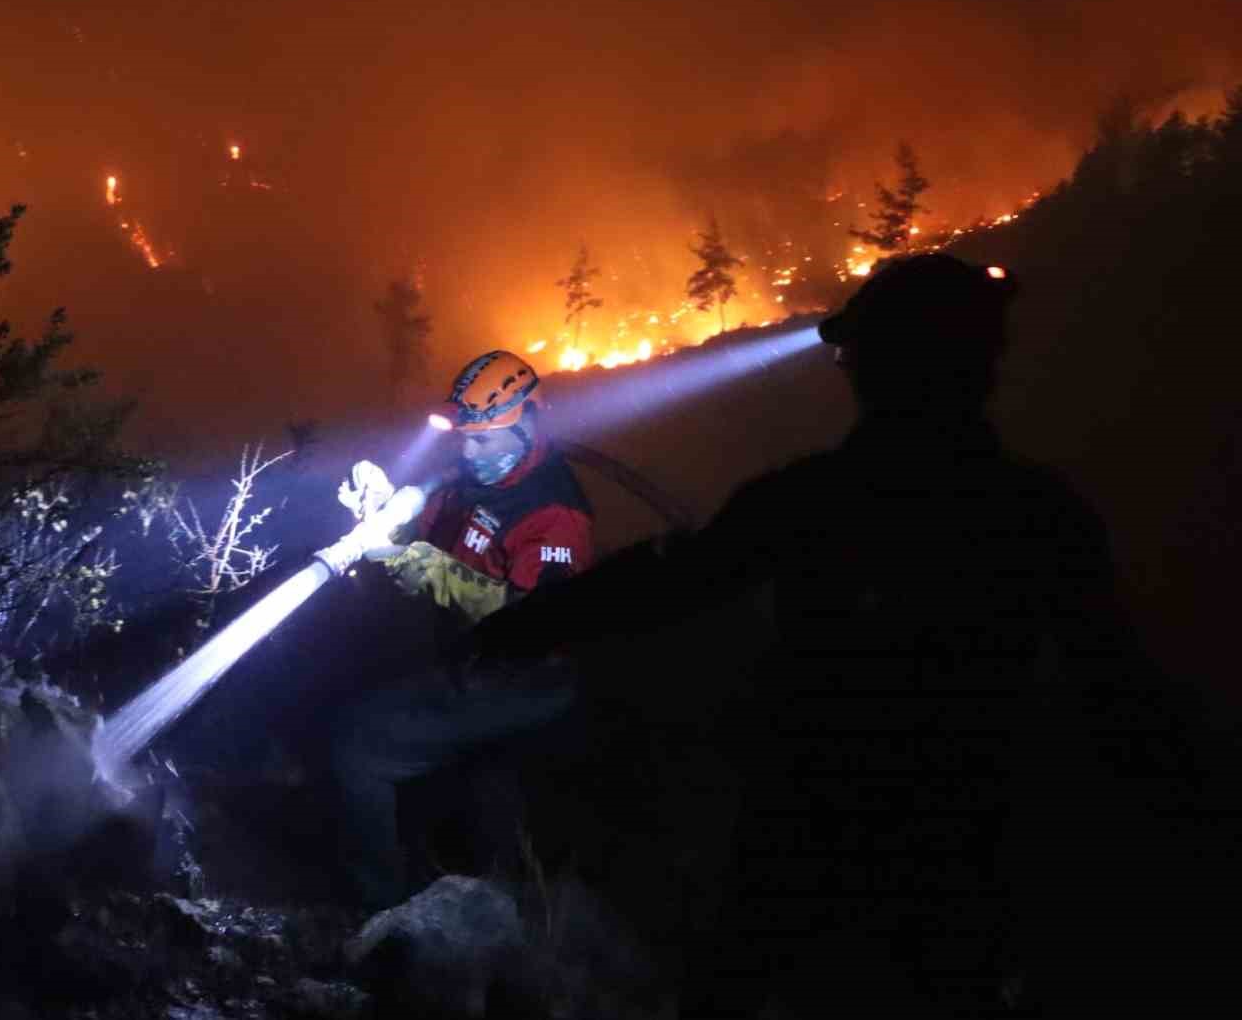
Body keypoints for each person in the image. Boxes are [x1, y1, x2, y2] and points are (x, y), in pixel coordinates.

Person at [469, 254, 1142, 1016]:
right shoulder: (1044, 516)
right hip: (965, 852)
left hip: (805, 839)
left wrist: (523, 626)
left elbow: (674, 580)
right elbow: (1114, 697)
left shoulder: (810, 501)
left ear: (869, 368)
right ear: (986, 362)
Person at [330, 350, 594, 910]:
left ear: (526, 423)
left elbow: (529, 617)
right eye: (464, 438)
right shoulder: (475, 478)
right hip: (473, 660)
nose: (468, 452)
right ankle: (442, 877)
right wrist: (380, 509)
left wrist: (409, 561)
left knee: (358, 744)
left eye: (482, 440)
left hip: (522, 680)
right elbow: (425, 534)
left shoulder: (555, 515)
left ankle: (374, 911)